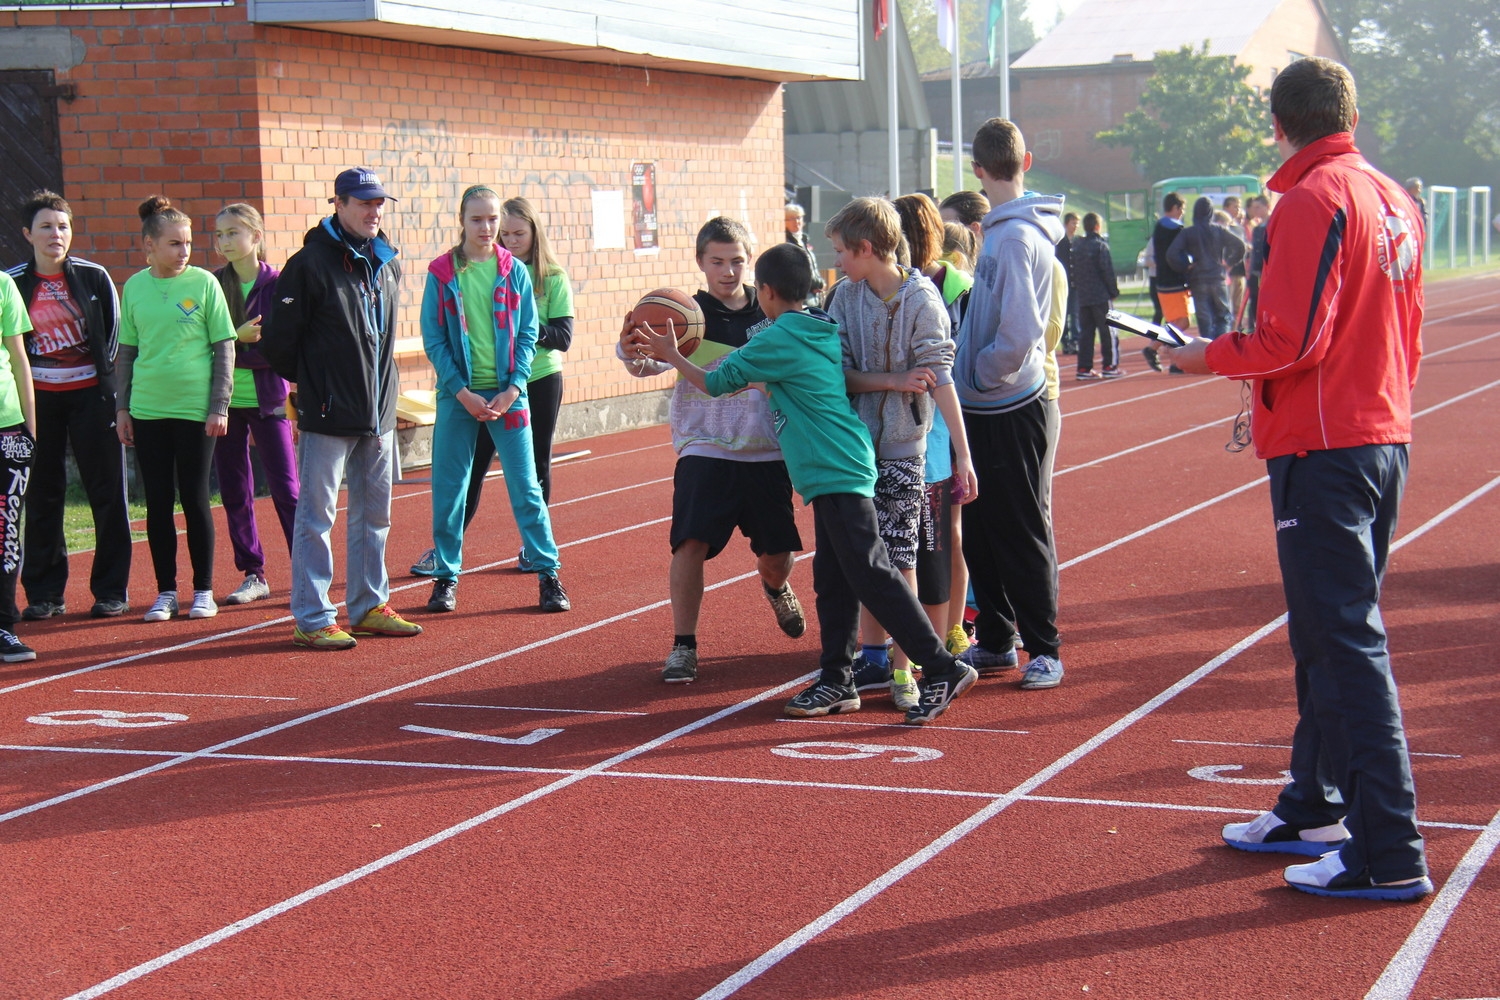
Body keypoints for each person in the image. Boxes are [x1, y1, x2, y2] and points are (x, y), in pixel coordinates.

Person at [1162, 57, 1432, 902]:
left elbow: (1292, 339)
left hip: (1327, 448)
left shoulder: (1315, 200)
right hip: (1375, 434)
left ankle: (1388, 849)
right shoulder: (1394, 197)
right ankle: (1312, 803)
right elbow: (1407, 334)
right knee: (1327, 633)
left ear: (1279, 124)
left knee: (1346, 642)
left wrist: (1202, 357)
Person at [635, 242, 978, 725]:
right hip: (840, 463)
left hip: (834, 467)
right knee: (833, 579)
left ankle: (942, 666)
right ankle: (837, 679)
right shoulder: (819, 326)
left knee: (872, 571)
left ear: (768, 293)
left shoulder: (778, 339)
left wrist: (672, 354)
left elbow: (714, 383)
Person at [617, 216, 805, 684]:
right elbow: (643, 365)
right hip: (705, 446)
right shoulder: (683, 313)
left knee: (779, 554)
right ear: (701, 262)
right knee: (689, 543)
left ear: (751, 263)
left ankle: (774, 585)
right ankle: (684, 645)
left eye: (737, 261)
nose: (728, 270)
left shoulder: (771, 313)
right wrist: (630, 350)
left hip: (767, 450)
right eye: (717, 261)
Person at [262, 167, 423, 649]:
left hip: (378, 410)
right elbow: (279, 344)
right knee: (317, 516)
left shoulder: (387, 260)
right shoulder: (309, 264)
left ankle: (369, 606)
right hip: (330, 411)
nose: (374, 211)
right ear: (339, 203)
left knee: (375, 515)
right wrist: (318, 387)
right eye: (364, 202)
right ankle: (313, 616)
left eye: (379, 203)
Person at [840, 195, 976, 710]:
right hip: (855, 445)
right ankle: (870, 653)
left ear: (867, 248)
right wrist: (893, 381)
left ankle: (905, 668)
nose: (836, 262)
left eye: (842, 251)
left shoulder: (923, 299)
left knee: (900, 553)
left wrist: (962, 455)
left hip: (904, 444)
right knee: (863, 554)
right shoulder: (845, 298)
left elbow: (940, 377)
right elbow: (842, 373)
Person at [952, 117, 1067, 692]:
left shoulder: (1018, 237)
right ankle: (997, 636)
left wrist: (979, 370)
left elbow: (1020, 330)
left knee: (1020, 525)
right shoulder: (998, 232)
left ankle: (1043, 647)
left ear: (977, 170)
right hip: (983, 404)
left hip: (1012, 404)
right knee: (980, 525)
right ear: (1025, 160)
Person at [418, 184, 570, 615]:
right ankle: (445, 579)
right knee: (450, 491)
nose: (487, 228)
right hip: (457, 398)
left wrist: (513, 388)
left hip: (509, 398)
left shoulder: (514, 271)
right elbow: (435, 339)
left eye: (492, 220)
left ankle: (548, 575)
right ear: (462, 221)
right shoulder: (443, 272)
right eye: (477, 219)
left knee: (526, 489)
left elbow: (526, 334)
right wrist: (462, 392)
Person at [7, 190, 132, 621]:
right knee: (42, 494)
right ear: (28, 234)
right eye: (45, 226)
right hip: (37, 401)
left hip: (90, 398)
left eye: (62, 226)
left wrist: (108, 394)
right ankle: (44, 594)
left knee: (107, 492)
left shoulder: (95, 278)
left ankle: (111, 590)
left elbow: (112, 340)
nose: (55, 234)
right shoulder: (13, 281)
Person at [116, 196, 236, 623]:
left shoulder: (204, 283)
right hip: (149, 410)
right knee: (158, 502)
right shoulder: (133, 287)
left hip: (194, 411)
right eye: (173, 244)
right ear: (148, 245)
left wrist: (218, 405)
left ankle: (203, 590)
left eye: (187, 243)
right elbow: (127, 353)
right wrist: (123, 408)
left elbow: (225, 347)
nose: (184, 251)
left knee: (195, 496)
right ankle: (166, 591)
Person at [211, 203, 299, 607]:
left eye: (233, 232)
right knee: (235, 489)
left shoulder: (279, 284)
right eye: (220, 234)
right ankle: (253, 573)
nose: (225, 241)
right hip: (223, 404)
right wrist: (236, 338)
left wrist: (233, 345)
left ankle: (306, 568)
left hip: (269, 399)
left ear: (255, 236)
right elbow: (204, 345)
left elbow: (282, 347)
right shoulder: (213, 284)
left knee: (286, 489)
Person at [0, 268, 37, 661]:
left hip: (8, 429)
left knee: (5, 530)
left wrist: (31, 429)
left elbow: (18, 357)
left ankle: (3, 625)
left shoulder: (3, 285)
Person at [1167, 196, 1247, 341]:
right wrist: (1229, 261)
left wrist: (1185, 266)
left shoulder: (1188, 233)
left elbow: (1172, 254)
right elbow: (1240, 246)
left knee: (1205, 320)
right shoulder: (1219, 230)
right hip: (1217, 278)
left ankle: (1208, 348)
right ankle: (1221, 346)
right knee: (1223, 316)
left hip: (1198, 279)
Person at [1071, 212, 1121, 379]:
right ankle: (1109, 365)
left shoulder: (1077, 246)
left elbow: (1073, 272)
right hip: (1100, 295)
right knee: (1108, 332)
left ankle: (1084, 368)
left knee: (1086, 334)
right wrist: (1113, 291)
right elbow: (1107, 271)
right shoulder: (1100, 246)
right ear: (1098, 227)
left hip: (1083, 296)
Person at [1143, 192, 1189, 373]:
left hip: (1161, 280)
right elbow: (1179, 255)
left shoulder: (1159, 227)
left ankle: (1175, 363)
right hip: (1173, 281)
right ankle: (1152, 348)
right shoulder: (1175, 229)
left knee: (1174, 322)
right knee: (1182, 322)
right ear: (1176, 208)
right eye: (1182, 209)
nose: (1182, 213)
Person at [783, 202, 825, 302]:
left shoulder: (804, 240)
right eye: (792, 218)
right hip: (801, 298)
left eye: (799, 217)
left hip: (813, 297)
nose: (796, 221)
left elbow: (812, 267)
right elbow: (796, 271)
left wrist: (819, 283)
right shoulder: (787, 243)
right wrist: (818, 284)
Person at [1242, 194, 1270, 331]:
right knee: (1255, 298)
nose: (1256, 211)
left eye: (1258, 207)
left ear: (1267, 207)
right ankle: (1255, 327)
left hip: (1269, 270)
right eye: (1254, 208)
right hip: (1255, 269)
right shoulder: (1257, 228)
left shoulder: (1273, 224)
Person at [1054, 211, 1079, 355]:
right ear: (1066, 224)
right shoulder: (1060, 242)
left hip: (1075, 284)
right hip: (1063, 284)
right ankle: (1065, 342)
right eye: (1073, 223)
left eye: (1077, 223)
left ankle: (1076, 341)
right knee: (1063, 314)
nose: (1075, 226)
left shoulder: (1078, 241)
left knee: (1075, 314)